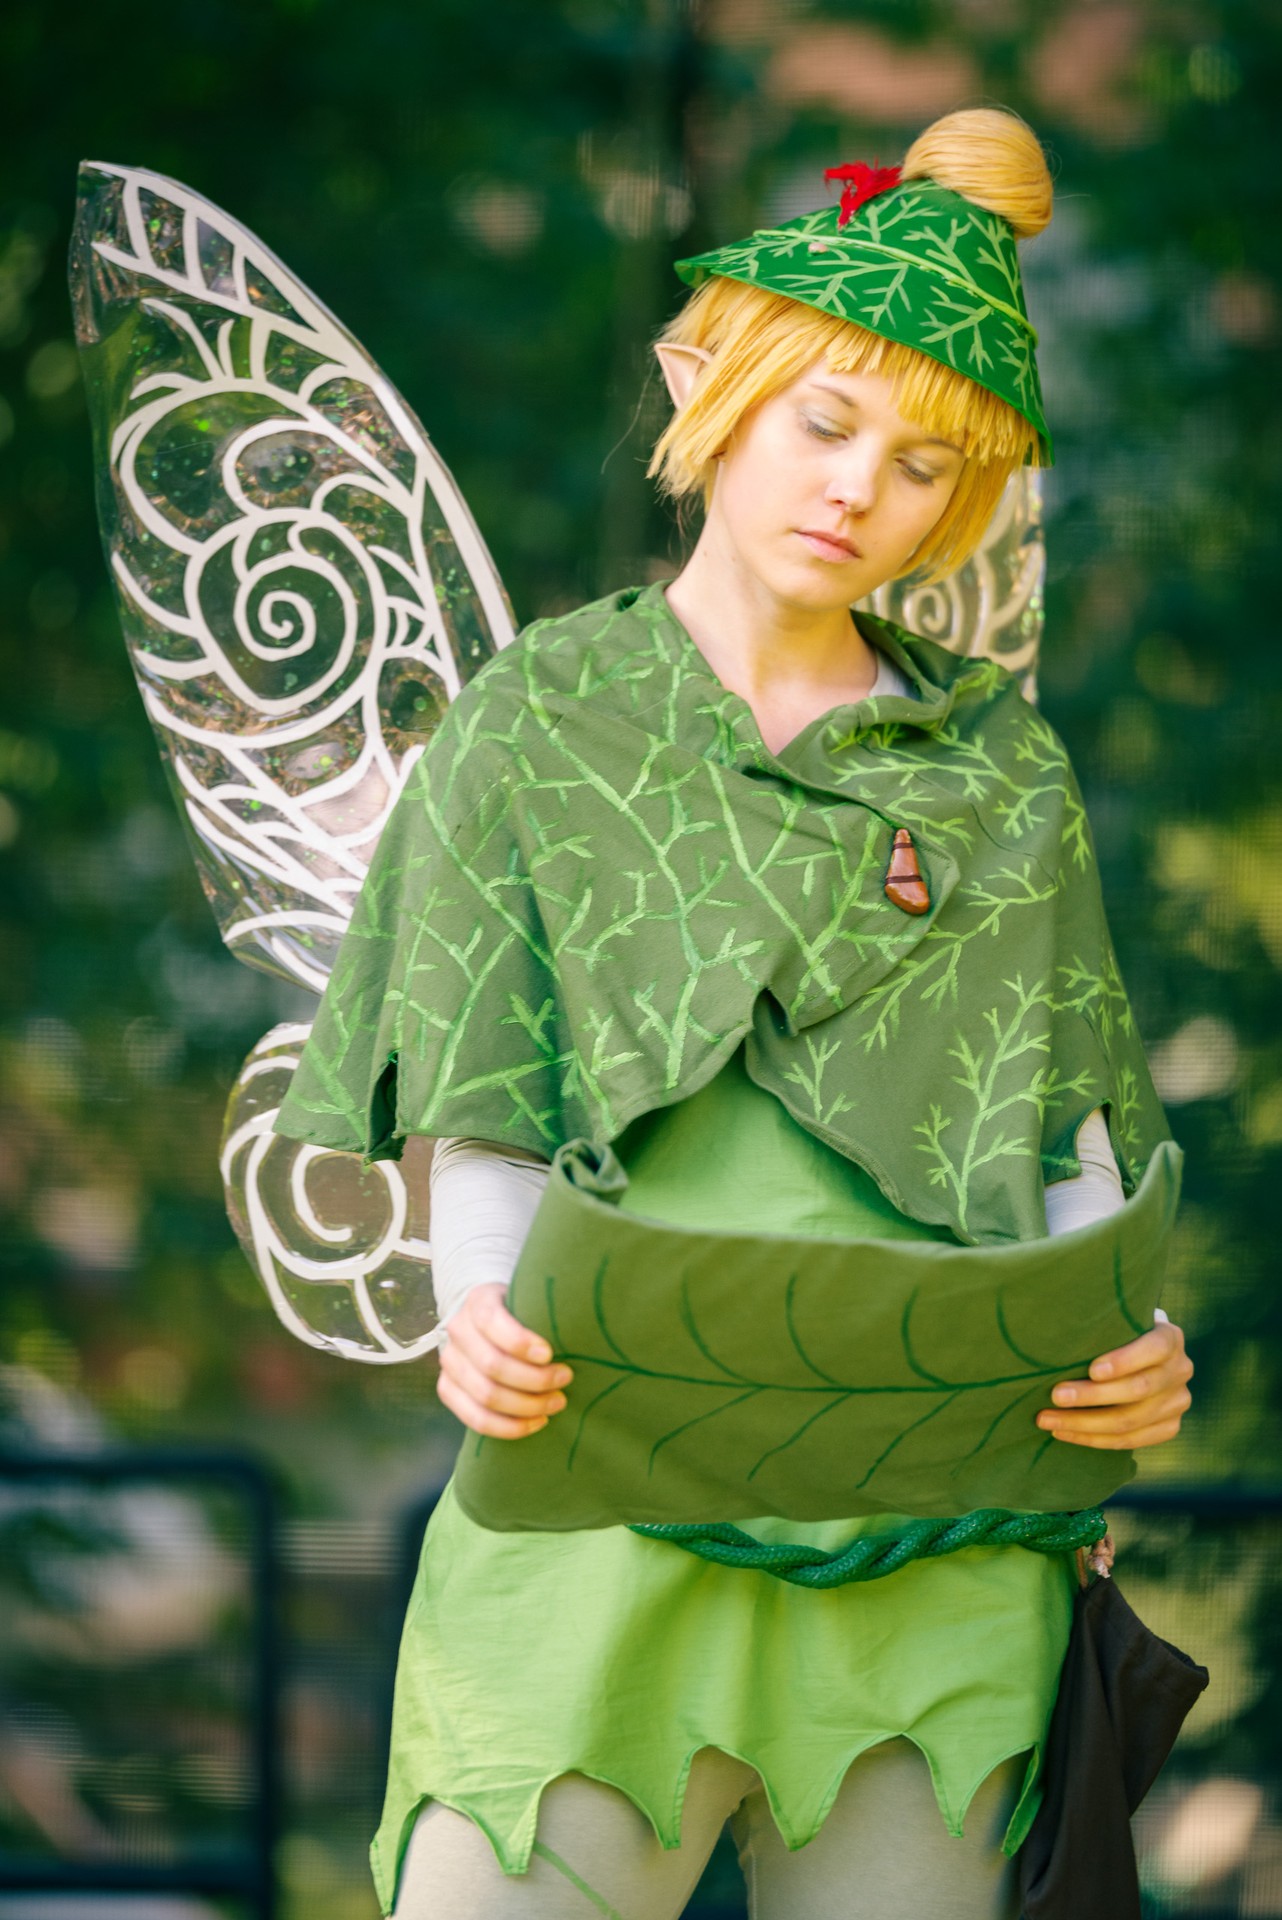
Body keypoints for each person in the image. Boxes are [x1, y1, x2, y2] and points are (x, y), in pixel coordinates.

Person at [272, 106, 1193, 1920]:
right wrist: (472, 1310)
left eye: (922, 466)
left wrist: (1122, 1336)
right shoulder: (540, 713)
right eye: (823, 423)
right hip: (591, 1500)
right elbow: (480, 1075)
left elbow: (1059, 1116)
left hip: (937, 1532)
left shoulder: (1000, 765)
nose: (860, 491)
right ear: (714, 393)